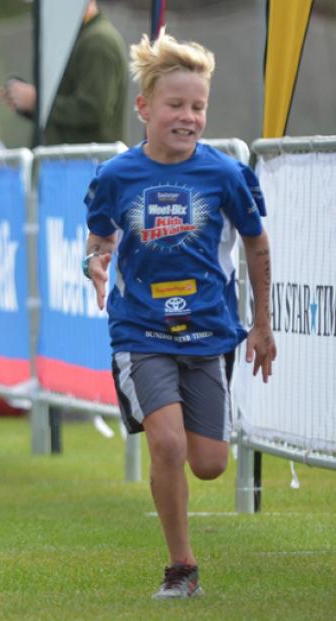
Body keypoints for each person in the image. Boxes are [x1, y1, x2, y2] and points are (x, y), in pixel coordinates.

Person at [83, 31, 276, 599]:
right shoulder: (116, 176)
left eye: (198, 107)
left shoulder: (226, 175)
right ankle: (181, 568)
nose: (188, 117)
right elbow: (99, 239)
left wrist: (262, 324)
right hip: (140, 331)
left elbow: (257, 246)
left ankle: (186, 523)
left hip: (210, 330)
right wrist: (95, 263)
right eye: (175, 105)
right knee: (166, 444)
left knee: (210, 463)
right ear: (144, 108)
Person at [1, 0, 127, 145]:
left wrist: (37, 101)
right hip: (70, 162)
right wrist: (31, 104)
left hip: (84, 164)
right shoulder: (77, 39)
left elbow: (92, 110)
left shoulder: (98, 41)